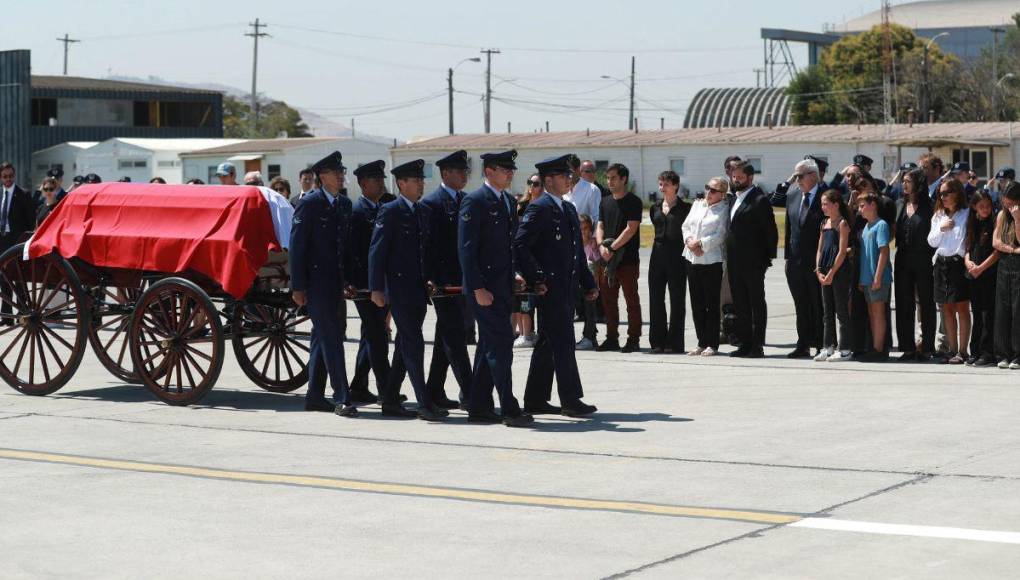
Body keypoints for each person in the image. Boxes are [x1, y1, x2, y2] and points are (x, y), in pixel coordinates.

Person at [515, 154, 599, 417]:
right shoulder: (539, 208)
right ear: (548, 179)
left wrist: (587, 281)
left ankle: (536, 399)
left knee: (549, 342)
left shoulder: (568, 208)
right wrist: (538, 277)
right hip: (550, 288)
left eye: (570, 176)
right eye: (564, 176)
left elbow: (575, 252)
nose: (569, 181)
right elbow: (519, 245)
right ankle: (570, 399)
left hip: (567, 287)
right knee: (563, 342)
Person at [369, 159, 447, 422]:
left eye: (422, 180)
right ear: (401, 184)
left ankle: (390, 399)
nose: (421, 184)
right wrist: (377, 288)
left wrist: (431, 278)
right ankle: (424, 403)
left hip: (418, 290)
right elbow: (377, 252)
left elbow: (426, 251)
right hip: (399, 289)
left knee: (405, 345)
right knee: (414, 344)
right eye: (415, 180)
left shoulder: (422, 211)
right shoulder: (390, 211)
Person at [458, 149, 532, 427]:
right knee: (501, 345)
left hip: (502, 286)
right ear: (489, 171)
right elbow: (466, 250)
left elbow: (505, 246)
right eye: (504, 169)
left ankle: (478, 406)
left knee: (490, 345)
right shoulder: (475, 201)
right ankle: (509, 408)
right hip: (484, 289)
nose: (510, 173)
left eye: (511, 169)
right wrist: (477, 288)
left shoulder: (505, 201)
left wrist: (513, 273)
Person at [289, 151, 357, 416]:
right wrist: (298, 286)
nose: (341, 176)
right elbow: (297, 246)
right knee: (331, 339)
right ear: (322, 176)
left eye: (342, 172)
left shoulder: (343, 204)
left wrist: (349, 279)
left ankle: (315, 395)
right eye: (336, 172)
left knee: (322, 336)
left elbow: (346, 247)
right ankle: (342, 397)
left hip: (335, 283)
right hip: (316, 284)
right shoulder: (310, 204)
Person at [345, 160, 408, 415]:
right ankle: (386, 389)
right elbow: (351, 252)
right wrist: (353, 282)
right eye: (375, 179)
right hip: (365, 286)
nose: (381, 183)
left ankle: (359, 385)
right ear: (362, 184)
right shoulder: (357, 212)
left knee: (371, 335)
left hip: (382, 283)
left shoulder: (384, 206)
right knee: (377, 337)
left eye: (382, 179)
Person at [419, 150, 474, 409]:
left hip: (462, 282)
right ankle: (472, 393)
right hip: (443, 284)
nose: (465, 175)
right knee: (454, 337)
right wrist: (429, 278)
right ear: (445, 174)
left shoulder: (466, 200)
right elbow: (426, 247)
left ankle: (434, 390)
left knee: (447, 336)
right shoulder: (431, 204)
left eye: (466, 171)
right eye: (459, 171)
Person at [725, 161, 778, 358]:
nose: (736, 180)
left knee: (756, 303)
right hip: (734, 261)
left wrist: (765, 260)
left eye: (740, 177)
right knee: (740, 304)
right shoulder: (733, 199)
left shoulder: (759, 200)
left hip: (753, 262)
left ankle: (757, 345)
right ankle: (745, 343)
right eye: (734, 177)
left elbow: (770, 232)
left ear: (750, 177)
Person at [595, 163, 643, 353]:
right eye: (607, 178)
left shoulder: (634, 202)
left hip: (627, 260)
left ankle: (633, 339)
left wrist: (612, 248)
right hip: (606, 260)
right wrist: (600, 246)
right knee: (608, 301)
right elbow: (600, 225)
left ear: (624, 179)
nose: (609, 181)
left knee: (631, 301)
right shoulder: (605, 201)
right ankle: (611, 338)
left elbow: (631, 228)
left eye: (613, 177)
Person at [682, 177, 729, 356]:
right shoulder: (697, 205)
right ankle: (701, 341)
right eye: (707, 188)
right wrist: (690, 242)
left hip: (711, 260)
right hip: (692, 258)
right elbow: (685, 226)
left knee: (711, 303)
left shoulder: (724, 209)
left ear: (722, 194)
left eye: (714, 190)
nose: (709, 192)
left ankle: (712, 343)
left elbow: (721, 234)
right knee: (697, 303)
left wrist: (701, 243)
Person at [783, 159, 825, 358]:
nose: (796, 180)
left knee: (818, 304)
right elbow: (790, 229)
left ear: (813, 176)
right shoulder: (792, 195)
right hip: (796, 262)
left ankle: (820, 343)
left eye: (800, 176)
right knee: (800, 304)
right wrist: (787, 259)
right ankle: (803, 343)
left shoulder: (827, 196)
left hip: (817, 262)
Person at [894, 169, 937, 361]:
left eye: (908, 181)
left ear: (918, 184)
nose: (904, 184)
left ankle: (927, 347)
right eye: (903, 181)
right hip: (903, 259)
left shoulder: (930, 207)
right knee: (904, 303)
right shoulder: (899, 204)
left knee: (926, 303)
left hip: (924, 259)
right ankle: (907, 347)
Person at [927, 179, 971, 365]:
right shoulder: (938, 215)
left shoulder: (967, 213)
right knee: (946, 308)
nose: (943, 197)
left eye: (946, 193)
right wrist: (941, 228)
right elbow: (931, 241)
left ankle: (962, 351)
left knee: (961, 307)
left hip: (958, 263)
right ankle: (952, 350)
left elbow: (966, 241)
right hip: (941, 264)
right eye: (940, 194)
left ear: (957, 193)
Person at [647, 169, 691, 354]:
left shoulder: (686, 208)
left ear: (675, 186)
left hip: (677, 257)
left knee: (676, 300)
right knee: (656, 298)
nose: (662, 187)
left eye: (665, 184)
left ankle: (674, 343)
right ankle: (657, 341)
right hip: (657, 256)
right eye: (660, 183)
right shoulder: (655, 207)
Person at [814, 189, 852, 362]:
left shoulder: (842, 224)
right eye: (822, 204)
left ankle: (845, 349)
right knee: (827, 311)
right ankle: (828, 346)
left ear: (836, 204)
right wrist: (818, 270)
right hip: (824, 270)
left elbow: (842, 251)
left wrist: (831, 273)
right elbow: (820, 249)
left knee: (841, 310)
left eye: (826, 204)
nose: (823, 207)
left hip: (838, 270)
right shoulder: (824, 223)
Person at [856, 193, 892, 362]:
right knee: (871, 312)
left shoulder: (881, 225)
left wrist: (877, 277)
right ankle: (875, 346)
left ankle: (879, 349)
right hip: (867, 278)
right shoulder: (866, 226)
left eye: (863, 206)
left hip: (878, 277)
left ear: (873, 205)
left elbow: (884, 252)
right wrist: (863, 280)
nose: (860, 209)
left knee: (878, 313)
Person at [965, 191, 999, 367]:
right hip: (973, 275)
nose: (986, 209)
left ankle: (988, 353)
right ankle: (975, 350)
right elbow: (967, 247)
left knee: (987, 314)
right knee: (976, 314)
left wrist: (981, 268)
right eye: (981, 206)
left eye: (988, 206)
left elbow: (996, 252)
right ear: (974, 207)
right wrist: (969, 263)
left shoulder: (994, 223)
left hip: (988, 274)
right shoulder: (972, 223)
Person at [512, 174, 541, 349]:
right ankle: (525, 333)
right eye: (531, 183)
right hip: (523, 255)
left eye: (537, 184)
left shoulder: (545, 206)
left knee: (536, 296)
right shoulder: (521, 207)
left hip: (538, 255)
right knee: (524, 297)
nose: (534, 186)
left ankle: (533, 332)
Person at [993, 183, 1020, 368]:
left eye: (1011, 202)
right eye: (1005, 201)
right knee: (1002, 309)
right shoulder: (1002, 215)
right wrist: (1012, 249)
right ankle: (1003, 353)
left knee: (1018, 310)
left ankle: (1018, 354)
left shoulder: (1016, 214)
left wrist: (1018, 219)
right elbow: (996, 241)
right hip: (1005, 264)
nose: (1007, 205)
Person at [577, 214, 601, 350]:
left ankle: (589, 337)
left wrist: (595, 286)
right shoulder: (574, 243)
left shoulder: (592, 244)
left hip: (589, 284)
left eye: (586, 228)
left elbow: (596, 265)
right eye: (580, 229)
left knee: (590, 310)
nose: (583, 232)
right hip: (576, 284)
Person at [564, 156, 601, 226]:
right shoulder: (560, 190)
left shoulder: (592, 190)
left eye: (569, 171)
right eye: (564, 172)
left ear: (578, 170)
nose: (566, 175)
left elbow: (596, 218)